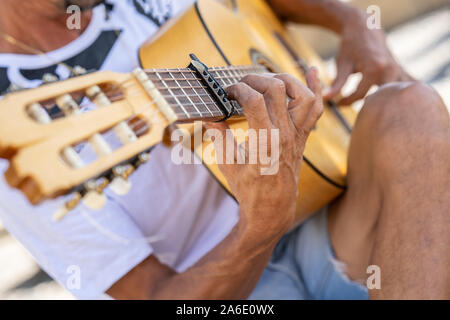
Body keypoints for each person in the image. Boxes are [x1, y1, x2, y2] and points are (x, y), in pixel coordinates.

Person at [0, 0, 448, 300]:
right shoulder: (22, 136)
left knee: (410, 105)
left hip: (330, 217)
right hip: (235, 294)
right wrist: (260, 226)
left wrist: (352, 21)